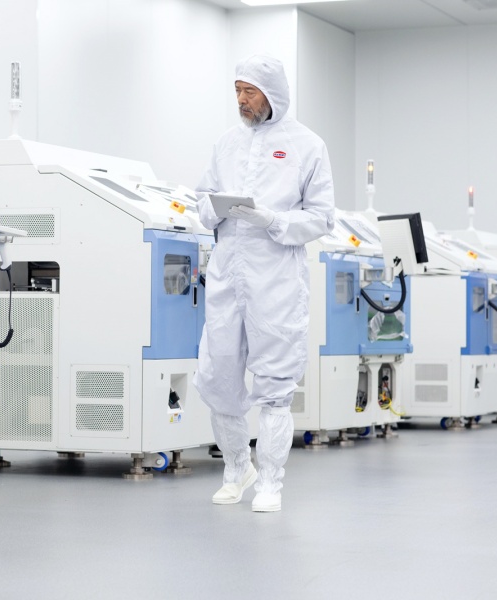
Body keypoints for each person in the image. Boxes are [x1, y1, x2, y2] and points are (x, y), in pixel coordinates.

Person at [194, 54, 335, 513]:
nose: (241, 100)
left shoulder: (307, 145)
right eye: (237, 90)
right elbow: (201, 200)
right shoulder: (226, 143)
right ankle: (237, 468)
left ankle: (271, 482)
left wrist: (272, 220)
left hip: (275, 279)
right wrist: (213, 208)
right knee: (218, 375)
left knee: (274, 383)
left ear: (272, 93)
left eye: (249, 91)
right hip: (226, 276)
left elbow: (322, 217)